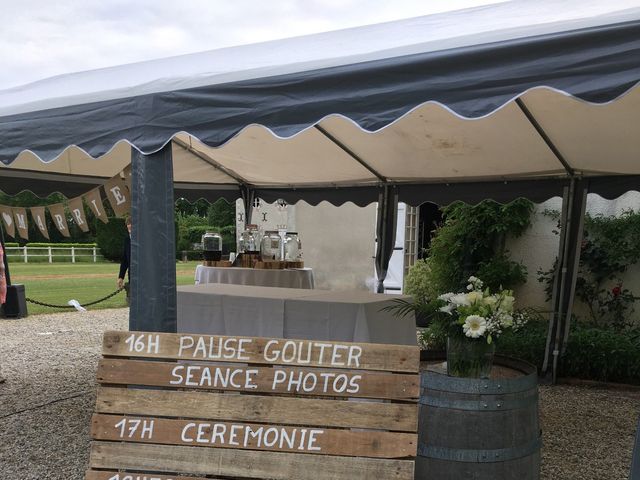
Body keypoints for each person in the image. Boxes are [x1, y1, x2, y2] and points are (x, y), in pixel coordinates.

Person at [117, 216, 131, 303]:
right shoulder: (127, 240)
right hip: (132, 275)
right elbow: (125, 260)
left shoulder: (143, 240)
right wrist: (121, 277)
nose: (129, 226)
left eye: (131, 224)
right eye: (128, 224)